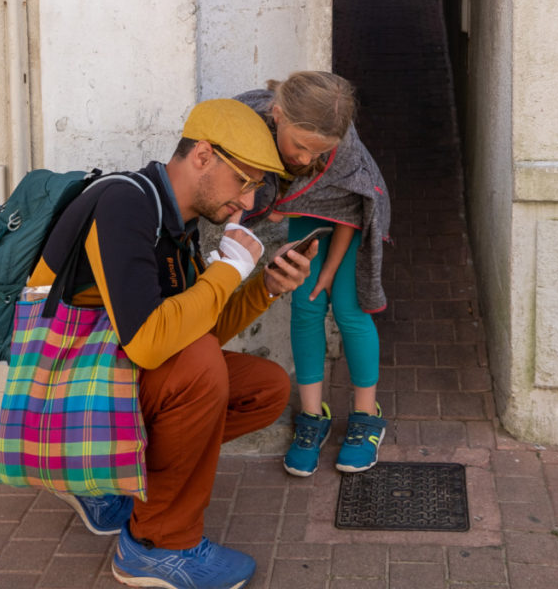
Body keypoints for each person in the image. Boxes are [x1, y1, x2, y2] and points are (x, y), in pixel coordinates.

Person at [27, 98, 315, 589]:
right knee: (201, 372)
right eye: (244, 182)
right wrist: (225, 272)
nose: (248, 203)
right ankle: (158, 546)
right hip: (62, 396)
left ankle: (114, 480)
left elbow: (196, 333)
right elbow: (149, 345)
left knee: (264, 387)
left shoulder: (176, 223)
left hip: (109, 380)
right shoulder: (124, 204)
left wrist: (264, 287)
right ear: (202, 155)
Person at [235, 72, 391, 479]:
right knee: (305, 306)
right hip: (305, 220)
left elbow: (350, 208)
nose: (305, 159)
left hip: (344, 228)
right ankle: (311, 416)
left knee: (350, 309)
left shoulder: (346, 158)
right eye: (300, 147)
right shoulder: (249, 122)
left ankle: (365, 414)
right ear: (278, 115)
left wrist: (332, 270)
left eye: (317, 152)